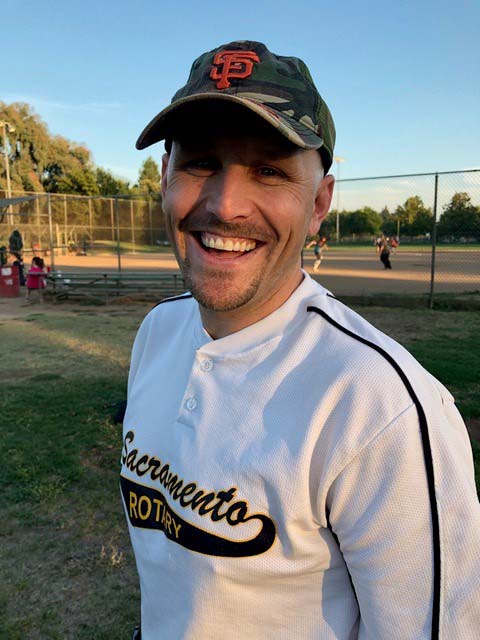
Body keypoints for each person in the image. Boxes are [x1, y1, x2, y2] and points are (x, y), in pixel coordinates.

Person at [122, 41, 480, 640]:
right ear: (165, 178)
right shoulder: (157, 332)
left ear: (318, 204)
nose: (225, 205)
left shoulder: (379, 408)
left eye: (269, 171)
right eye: (201, 163)